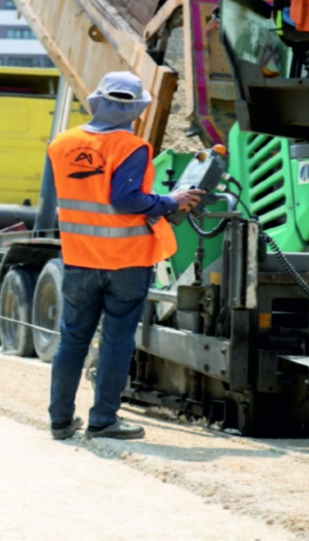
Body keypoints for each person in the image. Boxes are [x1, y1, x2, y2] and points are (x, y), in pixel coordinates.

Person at [45, 72, 203, 441]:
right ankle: (102, 421)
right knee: (116, 341)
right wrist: (170, 201)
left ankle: (60, 421)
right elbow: (125, 199)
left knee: (72, 340)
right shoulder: (132, 146)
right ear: (136, 109)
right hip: (127, 262)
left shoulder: (60, 144)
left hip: (80, 259)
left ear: (97, 101)